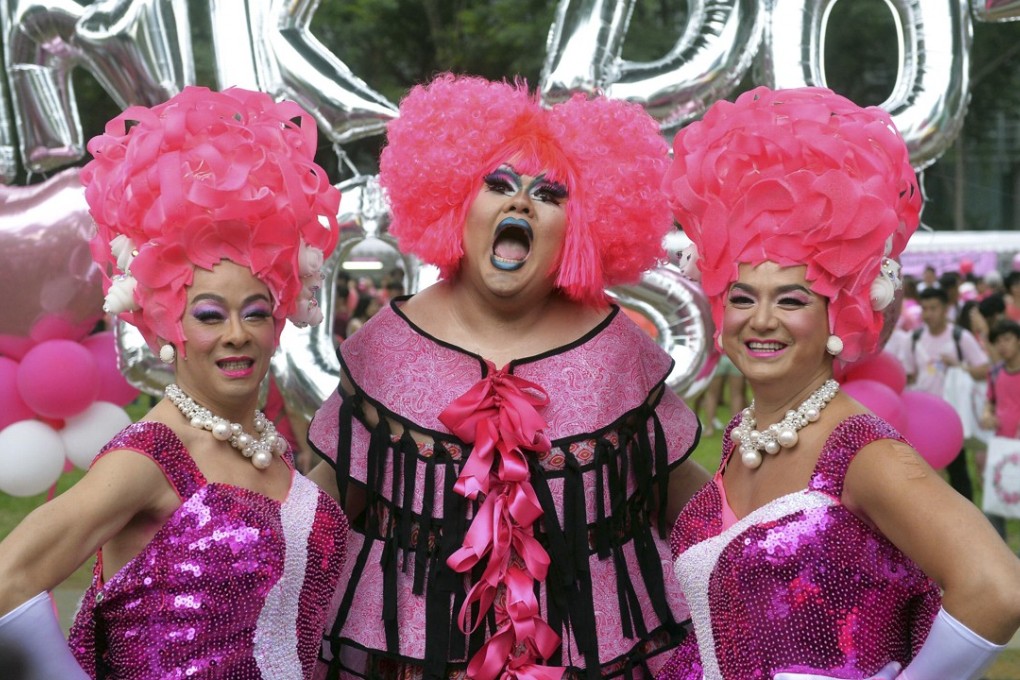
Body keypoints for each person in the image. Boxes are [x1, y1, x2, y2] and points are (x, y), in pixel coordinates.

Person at [306, 73, 709, 678]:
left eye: (549, 194)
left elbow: (696, 512)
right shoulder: (385, 348)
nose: (519, 203)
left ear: (580, 229)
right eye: (497, 185)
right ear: (455, 203)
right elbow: (318, 518)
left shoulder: (619, 350)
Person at [657, 86, 1020, 680]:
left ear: (838, 314)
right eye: (743, 297)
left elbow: (997, 588)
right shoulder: (743, 441)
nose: (762, 319)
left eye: (792, 299)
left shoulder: (862, 452)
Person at [0, 86, 349, 679]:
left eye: (256, 312)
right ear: (168, 324)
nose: (236, 334)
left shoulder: (274, 452)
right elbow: (9, 579)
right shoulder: (152, 456)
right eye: (210, 316)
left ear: (280, 318)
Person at [902, 286, 990, 501]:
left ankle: (966, 515)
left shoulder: (960, 337)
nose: (929, 314)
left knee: (958, 471)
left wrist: (958, 366)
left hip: (953, 414)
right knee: (925, 471)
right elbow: (909, 374)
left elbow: (983, 369)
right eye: (925, 308)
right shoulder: (913, 338)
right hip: (924, 417)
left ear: (945, 309)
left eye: (934, 308)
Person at [981, 319, 1020, 541]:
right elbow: (990, 401)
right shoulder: (995, 372)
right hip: (1002, 447)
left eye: (1007, 339)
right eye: (998, 342)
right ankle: (1002, 555)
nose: (1003, 345)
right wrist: (987, 415)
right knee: (994, 505)